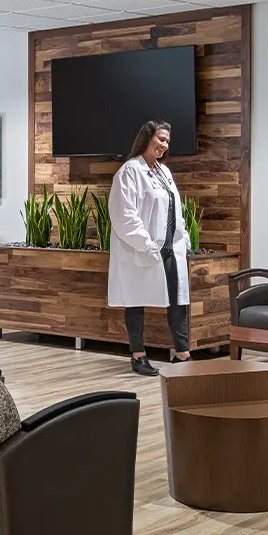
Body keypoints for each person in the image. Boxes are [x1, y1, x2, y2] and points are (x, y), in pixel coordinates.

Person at [107, 120, 192, 377]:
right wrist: (145, 243)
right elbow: (124, 215)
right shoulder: (129, 172)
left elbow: (175, 209)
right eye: (160, 140)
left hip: (169, 248)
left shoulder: (163, 172)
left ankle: (182, 352)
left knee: (178, 299)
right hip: (141, 249)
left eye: (167, 141)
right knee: (135, 300)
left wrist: (183, 236)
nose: (164, 145)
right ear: (146, 139)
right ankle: (138, 354)